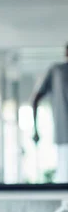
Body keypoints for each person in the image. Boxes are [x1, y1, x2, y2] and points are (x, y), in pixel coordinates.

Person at [32, 44, 68, 183]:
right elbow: (35, 99)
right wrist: (35, 129)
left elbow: (35, 100)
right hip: (64, 136)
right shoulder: (56, 71)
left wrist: (36, 130)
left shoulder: (56, 71)